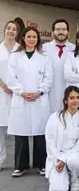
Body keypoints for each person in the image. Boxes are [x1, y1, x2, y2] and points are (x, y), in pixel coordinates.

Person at [7, 26, 53, 177]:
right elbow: (11, 78)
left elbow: (48, 78)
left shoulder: (45, 58)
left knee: (40, 134)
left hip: (39, 98)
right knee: (21, 133)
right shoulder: (15, 57)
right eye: (29, 36)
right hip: (21, 99)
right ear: (24, 38)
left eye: (34, 37)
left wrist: (39, 92)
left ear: (38, 39)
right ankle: (21, 166)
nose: (32, 39)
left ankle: (41, 164)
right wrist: (22, 92)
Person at [45, 86, 79, 191]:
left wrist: (63, 159)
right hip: (57, 156)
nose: (75, 100)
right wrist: (58, 159)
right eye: (72, 98)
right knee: (58, 188)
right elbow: (50, 141)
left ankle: (75, 178)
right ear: (66, 100)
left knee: (75, 162)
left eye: (78, 97)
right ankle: (63, 176)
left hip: (75, 155)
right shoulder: (54, 117)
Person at [43, 19, 75, 113]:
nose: (61, 32)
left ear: (68, 32)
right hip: (49, 94)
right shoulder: (43, 49)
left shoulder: (75, 49)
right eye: (57, 29)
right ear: (52, 32)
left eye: (64, 29)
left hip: (69, 93)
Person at [0, 21, 19, 171]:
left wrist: (15, 87)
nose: (11, 31)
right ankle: (0, 160)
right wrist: (4, 86)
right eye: (9, 28)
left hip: (18, 92)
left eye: (14, 29)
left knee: (18, 129)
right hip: (1, 92)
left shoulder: (21, 49)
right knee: (0, 128)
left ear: (17, 33)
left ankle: (19, 163)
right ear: (4, 30)